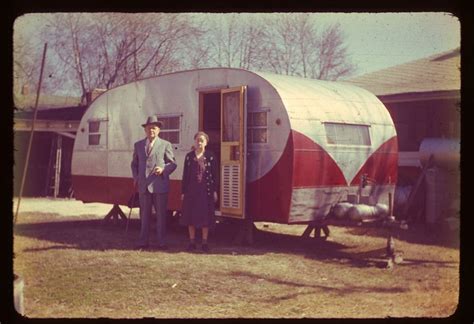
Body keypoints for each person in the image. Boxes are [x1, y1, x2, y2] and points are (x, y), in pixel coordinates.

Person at [131, 115, 177, 250]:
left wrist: (163, 169)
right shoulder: (138, 145)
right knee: (144, 216)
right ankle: (143, 241)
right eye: (149, 128)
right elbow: (134, 164)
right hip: (144, 186)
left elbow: (173, 164)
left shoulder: (165, 145)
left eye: (154, 128)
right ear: (145, 130)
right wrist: (136, 177)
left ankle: (161, 242)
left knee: (161, 216)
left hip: (160, 185)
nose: (151, 130)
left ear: (159, 131)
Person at [180, 131, 218, 252]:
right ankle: (191, 242)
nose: (199, 142)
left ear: (206, 142)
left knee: (205, 217)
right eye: (197, 140)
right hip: (191, 191)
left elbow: (215, 175)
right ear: (195, 142)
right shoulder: (189, 156)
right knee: (190, 216)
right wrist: (183, 191)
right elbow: (185, 175)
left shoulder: (211, 156)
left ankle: (204, 242)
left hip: (205, 192)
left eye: (202, 140)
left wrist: (215, 191)